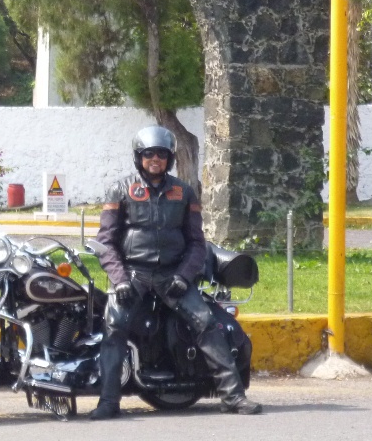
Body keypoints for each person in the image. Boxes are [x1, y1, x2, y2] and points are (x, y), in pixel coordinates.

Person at [88, 125, 262, 420]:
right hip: (134, 273)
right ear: (138, 157)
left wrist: (184, 276)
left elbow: (196, 243)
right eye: (148, 154)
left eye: (162, 154)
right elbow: (106, 242)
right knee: (114, 327)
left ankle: (233, 397)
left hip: (173, 274)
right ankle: (108, 402)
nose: (155, 159)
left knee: (207, 323)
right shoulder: (120, 190)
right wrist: (119, 280)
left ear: (170, 158)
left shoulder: (184, 192)